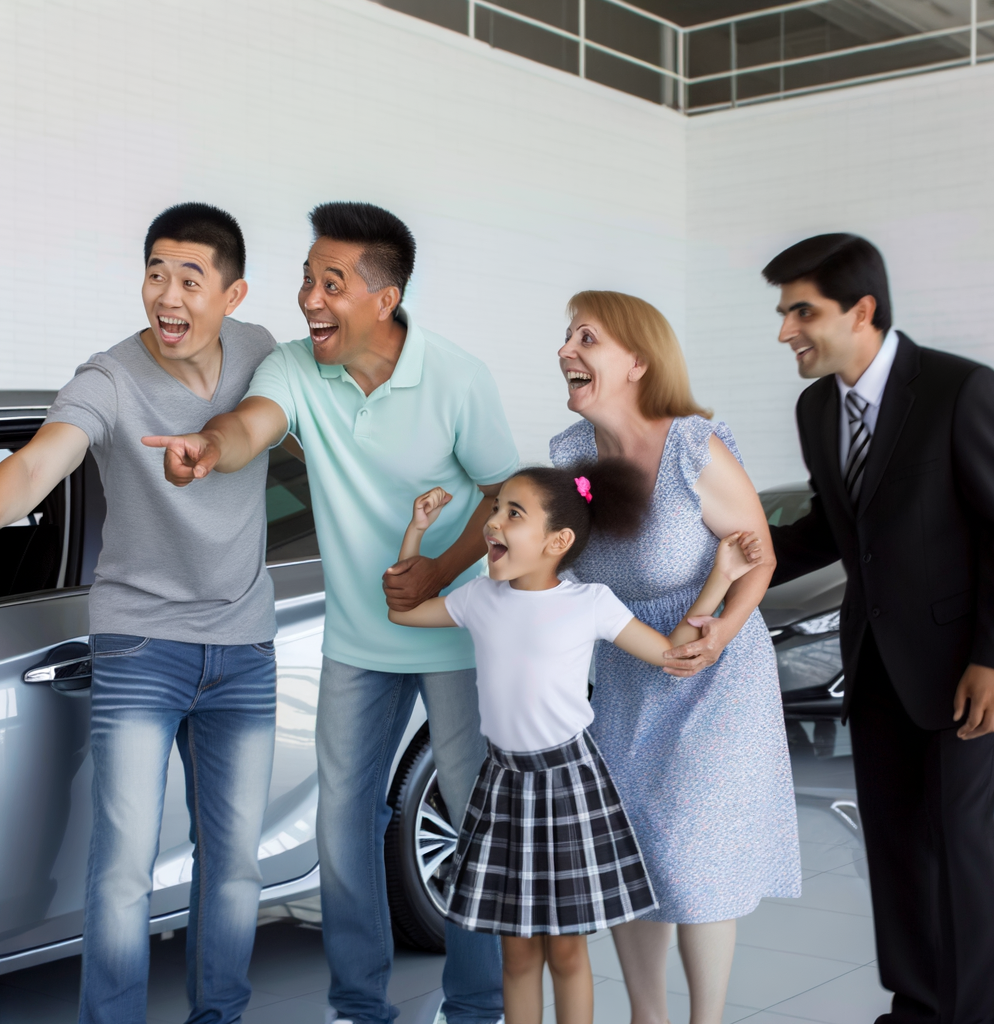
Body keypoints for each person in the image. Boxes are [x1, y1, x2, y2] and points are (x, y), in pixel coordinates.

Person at [145, 202, 517, 1024]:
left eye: (332, 283)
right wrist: (210, 448)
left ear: (384, 299)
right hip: (357, 640)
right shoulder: (294, 368)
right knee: (342, 826)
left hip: (455, 639)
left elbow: (504, 495)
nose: (311, 297)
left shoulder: (457, 378)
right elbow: (253, 425)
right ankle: (358, 1005)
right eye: (308, 278)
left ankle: (478, 1006)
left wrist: (438, 575)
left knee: (473, 820)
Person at [0, 203, 279, 1023]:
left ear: (233, 296)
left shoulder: (262, 353)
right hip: (140, 650)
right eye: (156, 271)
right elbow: (34, 467)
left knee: (234, 871)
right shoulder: (109, 378)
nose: (168, 293)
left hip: (244, 649)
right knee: (122, 869)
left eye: (191, 277)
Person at [389, 464, 765, 1024]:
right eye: (496, 510)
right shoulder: (478, 598)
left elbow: (670, 654)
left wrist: (719, 577)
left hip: (569, 784)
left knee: (566, 950)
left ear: (557, 542)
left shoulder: (590, 601)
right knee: (515, 951)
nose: (493, 522)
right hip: (503, 786)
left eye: (513, 513)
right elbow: (402, 609)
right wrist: (417, 531)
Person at [764, 233, 994, 1024]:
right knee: (895, 845)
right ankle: (917, 1005)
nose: (785, 332)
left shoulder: (959, 389)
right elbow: (834, 528)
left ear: (862, 309)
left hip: (959, 670)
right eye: (782, 313)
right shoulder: (817, 409)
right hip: (874, 664)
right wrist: (733, 565)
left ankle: (976, 1015)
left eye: (801, 312)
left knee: (958, 842)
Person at [548, 291, 801, 1024]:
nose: (568, 349)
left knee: (694, 846)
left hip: (713, 669)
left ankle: (706, 1019)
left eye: (586, 337)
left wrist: (719, 632)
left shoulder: (694, 446)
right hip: (629, 671)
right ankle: (648, 1016)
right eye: (566, 336)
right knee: (635, 845)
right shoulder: (574, 458)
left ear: (636, 361)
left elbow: (758, 556)